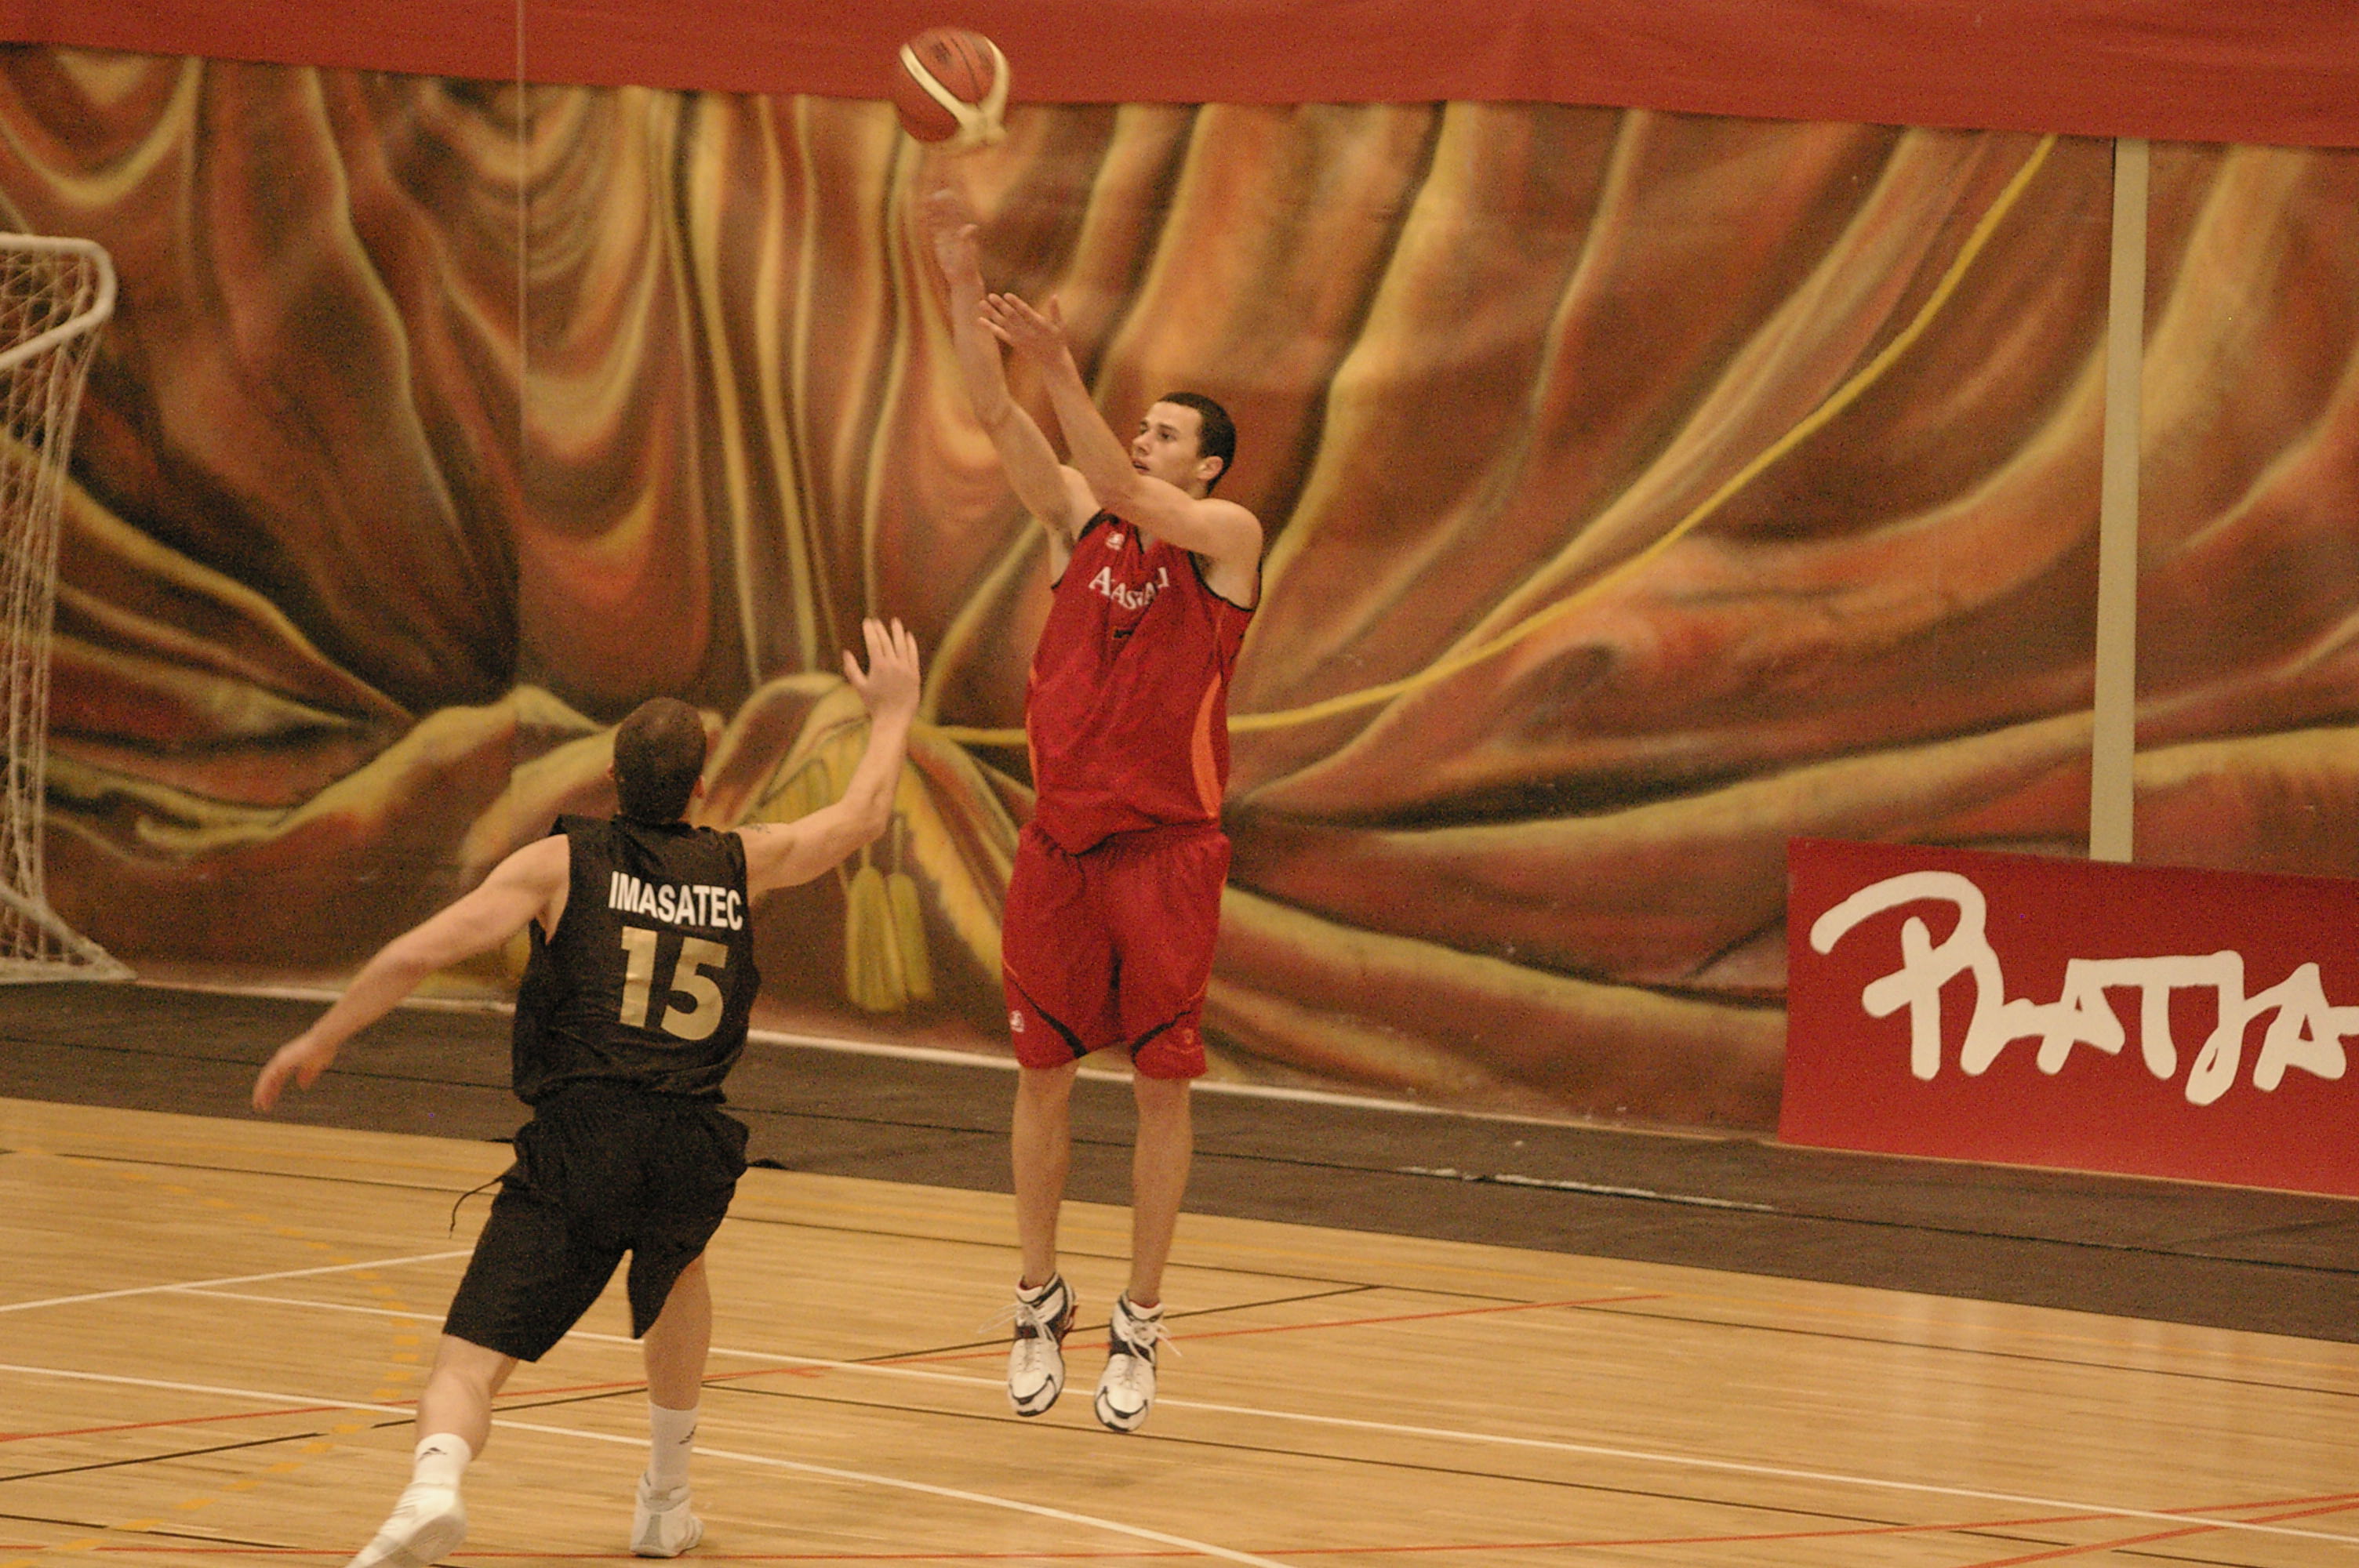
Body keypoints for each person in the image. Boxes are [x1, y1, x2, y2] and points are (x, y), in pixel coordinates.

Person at [252, 619, 921, 1566]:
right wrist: (893, 713)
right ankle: (665, 1501)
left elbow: (415, 952)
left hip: (584, 1136)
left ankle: (432, 1485)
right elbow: (858, 818)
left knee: (467, 1362)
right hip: (687, 1139)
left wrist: (321, 1035)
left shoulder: (561, 864)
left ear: (610, 779)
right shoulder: (738, 860)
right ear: (700, 788)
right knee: (679, 1270)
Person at [924, 178, 1263, 1434]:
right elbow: (994, 413)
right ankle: (1036, 1299)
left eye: (1165, 432)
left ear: (1207, 463)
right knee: (1042, 1075)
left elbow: (1129, 488)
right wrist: (963, 288)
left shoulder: (1227, 538)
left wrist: (1063, 362)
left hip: (1167, 853)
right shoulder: (1083, 527)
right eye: (1142, 429)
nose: (1144, 441)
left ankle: (1141, 1321)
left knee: (1161, 1087)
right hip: (1062, 845)